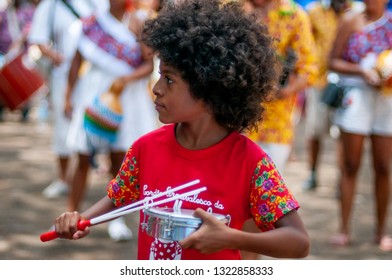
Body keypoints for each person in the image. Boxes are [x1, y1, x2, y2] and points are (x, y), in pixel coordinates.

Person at [51, 0, 310, 260]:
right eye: (160, 75)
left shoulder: (251, 163)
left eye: (170, 79)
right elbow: (119, 198)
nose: (157, 88)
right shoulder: (146, 148)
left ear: (209, 88)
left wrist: (232, 238)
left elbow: (298, 242)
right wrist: (82, 219)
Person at [63, 0, 157, 242]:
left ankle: (116, 219)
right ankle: (70, 214)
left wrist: (124, 80)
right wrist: (68, 96)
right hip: (93, 93)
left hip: (128, 97)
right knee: (82, 156)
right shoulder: (92, 24)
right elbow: (76, 61)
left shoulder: (139, 23)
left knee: (119, 161)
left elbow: (148, 65)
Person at [241, 0, 317, 260]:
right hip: (236, 119)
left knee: (259, 201)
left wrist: (285, 90)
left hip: (276, 123)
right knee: (237, 197)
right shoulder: (232, 8)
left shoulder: (295, 15)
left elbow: (309, 68)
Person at [328, 0, 392, 251]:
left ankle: (381, 231)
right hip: (356, 97)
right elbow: (332, 61)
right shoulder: (349, 20)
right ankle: (343, 228)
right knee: (350, 165)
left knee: (384, 167)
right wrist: (362, 72)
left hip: (386, 102)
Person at [28, 0, 105, 199]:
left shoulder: (98, 2)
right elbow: (38, 38)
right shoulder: (51, 5)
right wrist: (57, 57)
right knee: (64, 126)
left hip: (95, 76)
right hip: (63, 76)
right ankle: (64, 179)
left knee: (94, 126)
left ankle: (95, 177)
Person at [302, 0, 353, 191]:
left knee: (343, 132)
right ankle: (313, 173)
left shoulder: (355, 13)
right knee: (315, 131)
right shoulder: (314, 12)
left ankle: (343, 179)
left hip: (346, 83)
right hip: (319, 82)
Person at [0, 0, 40, 122]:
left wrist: (17, 45)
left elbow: (29, 31)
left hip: (21, 55)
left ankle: (24, 110)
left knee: (23, 83)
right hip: (4, 54)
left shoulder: (29, 13)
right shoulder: (5, 13)